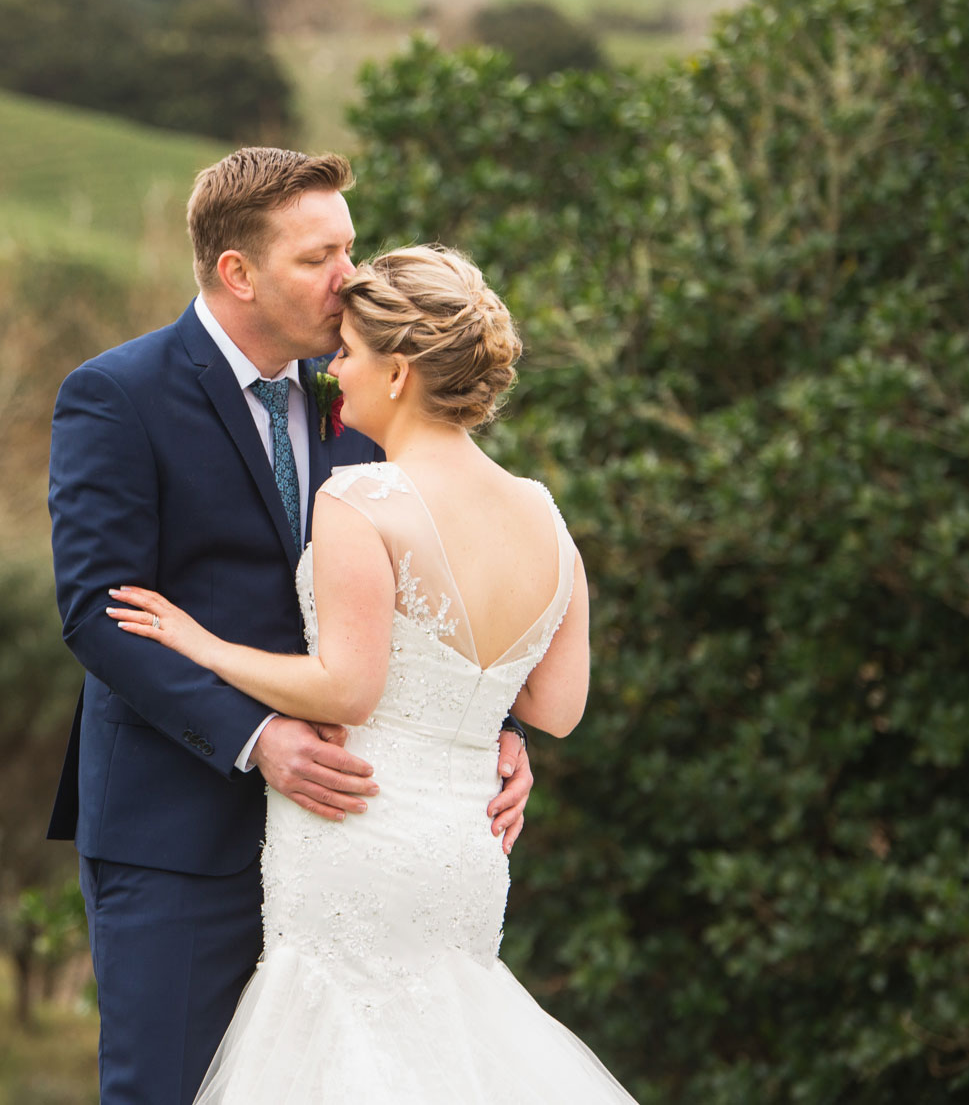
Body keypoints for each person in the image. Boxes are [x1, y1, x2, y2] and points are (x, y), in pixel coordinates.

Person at [45, 150, 534, 1105]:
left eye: (349, 246)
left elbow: (429, 581)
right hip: (180, 828)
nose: (350, 276)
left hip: (349, 848)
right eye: (320, 257)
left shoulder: (367, 394)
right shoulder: (117, 395)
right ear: (239, 273)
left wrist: (492, 725)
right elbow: (98, 612)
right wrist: (255, 738)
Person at [104, 244, 638, 1103]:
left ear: (397, 374)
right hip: (465, 852)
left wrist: (201, 643)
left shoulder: (360, 500)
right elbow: (557, 706)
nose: (332, 372)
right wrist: (482, 721)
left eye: (347, 353)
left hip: (355, 828)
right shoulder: (543, 511)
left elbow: (347, 688)